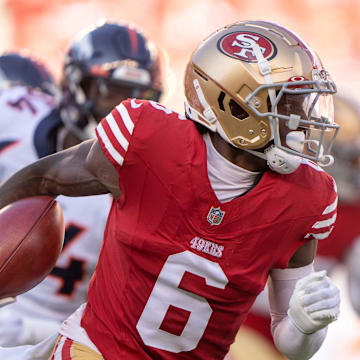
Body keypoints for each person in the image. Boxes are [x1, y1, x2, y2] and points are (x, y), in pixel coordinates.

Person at [0, 20, 340, 360]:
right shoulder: (150, 142)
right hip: (97, 351)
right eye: (286, 104)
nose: (302, 118)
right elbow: (42, 177)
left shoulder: (306, 199)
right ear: (232, 105)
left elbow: (293, 346)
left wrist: (305, 325)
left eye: (301, 102)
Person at [0, 20, 163, 347]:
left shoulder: (139, 191)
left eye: (138, 99)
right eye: (110, 93)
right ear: (76, 85)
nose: (122, 111)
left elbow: (129, 318)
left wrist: (32, 331)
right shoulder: (12, 112)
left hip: (53, 337)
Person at [228, 95, 360, 360]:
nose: (354, 168)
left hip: (279, 335)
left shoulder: (351, 216)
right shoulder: (272, 185)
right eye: (350, 158)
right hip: (229, 318)